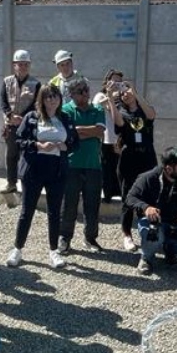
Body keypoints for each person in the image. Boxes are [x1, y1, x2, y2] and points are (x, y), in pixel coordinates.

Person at [7, 84, 77, 269]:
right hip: (34, 170)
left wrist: (65, 147)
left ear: (60, 99)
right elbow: (19, 140)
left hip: (57, 171)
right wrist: (38, 145)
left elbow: (74, 142)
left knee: (55, 212)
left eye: (55, 96)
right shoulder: (32, 117)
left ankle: (54, 252)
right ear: (42, 99)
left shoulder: (66, 118)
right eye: (48, 97)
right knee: (26, 211)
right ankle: (17, 249)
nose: (52, 100)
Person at [125, 147, 177, 275]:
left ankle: (169, 248)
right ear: (168, 168)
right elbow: (130, 198)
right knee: (154, 236)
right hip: (153, 221)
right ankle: (146, 258)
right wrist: (146, 207)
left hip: (175, 221)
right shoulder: (148, 178)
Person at [58, 76, 114, 253]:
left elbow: (99, 131)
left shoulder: (97, 108)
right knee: (69, 204)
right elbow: (67, 135)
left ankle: (90, 239)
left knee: (92, 205)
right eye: (81, 91)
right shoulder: (66, 110)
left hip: (93, 166)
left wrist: (77, 130)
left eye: (87, 90)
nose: (85, 94)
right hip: (71, 164)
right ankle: (64, 238)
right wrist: (82, 131)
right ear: (72, 94)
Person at [114, 79, 158, 251]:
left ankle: (148, 230)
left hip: (147, 157)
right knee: (128, 197)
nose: (125, 94)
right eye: (122, 93)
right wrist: (111, 97)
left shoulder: (143, 110)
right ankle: (126, 234)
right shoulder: (121, 112)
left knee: (149, 194)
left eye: (127, 90)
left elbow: (152, 115)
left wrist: (136, 93)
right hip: (129, 158)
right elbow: (117, 123)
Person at [0, 49, 40, 194]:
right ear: (14, 65)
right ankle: (11, 183)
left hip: (27, 124)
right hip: (11, 124)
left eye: (25, 64)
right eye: (19, 64)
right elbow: (3, 100)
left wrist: (22, 117)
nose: (22, 67)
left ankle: (27, 183)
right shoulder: (7, 81)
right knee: (11, 154)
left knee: (27, 154)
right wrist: (10, 116)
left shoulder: (36, 83)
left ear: (29, 65)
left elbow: (36, 103)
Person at [96, 69, 125, 202]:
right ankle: (107, 194)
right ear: (107, 81)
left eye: (119, 81)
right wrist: (110, 95)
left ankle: (119, 192)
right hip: (106, 138)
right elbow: (98, 105)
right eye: (113, 80)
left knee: (119, 167)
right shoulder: (101, 95)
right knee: (106, 167)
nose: (116, 84)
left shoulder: (124, 98)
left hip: (119, 138)